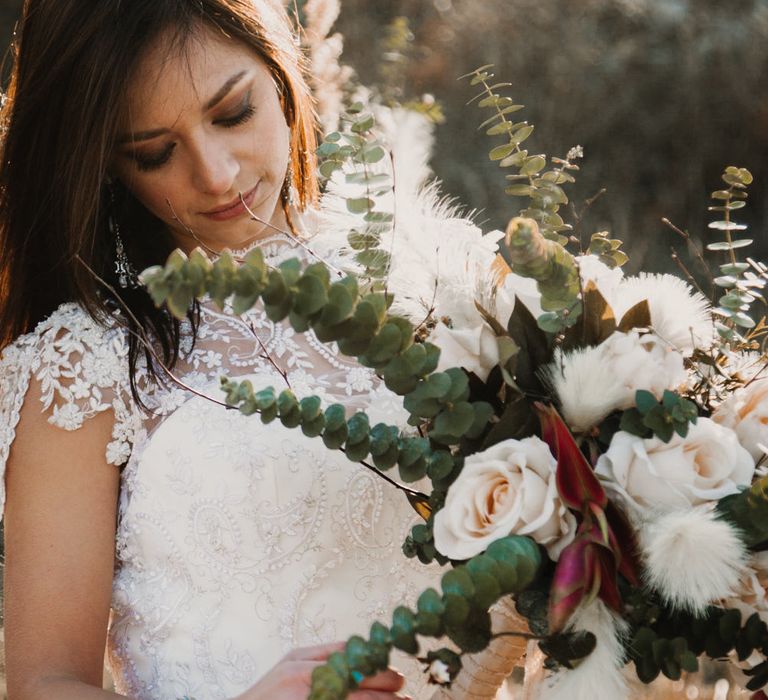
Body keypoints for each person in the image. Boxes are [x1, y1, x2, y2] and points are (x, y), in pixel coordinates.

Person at [0, 1, 441, 698]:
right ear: (107, 165)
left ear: (281, 72)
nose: (215, 174)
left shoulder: (430, 279)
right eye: (154, 152)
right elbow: (42, 683)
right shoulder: (83, 362)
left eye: (233, 112)